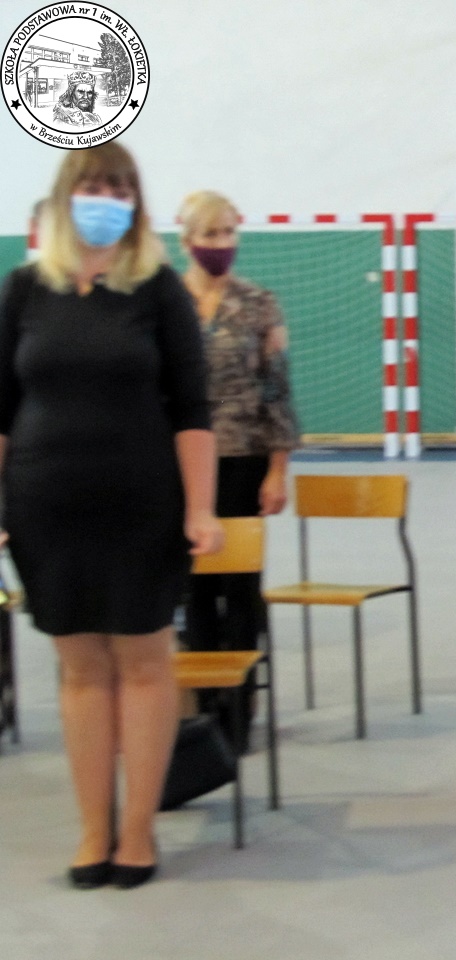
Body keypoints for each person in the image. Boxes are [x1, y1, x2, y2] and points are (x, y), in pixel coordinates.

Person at [0, 143, 220, 889]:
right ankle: (94, 829)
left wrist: (200, 507)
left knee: (144, 664)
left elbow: (192, 410)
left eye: (122, 190)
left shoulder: (158, 289)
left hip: (142, 505)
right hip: (45, 506)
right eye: (95, 187)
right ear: (67, 197)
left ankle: (137, 832)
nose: (108, 200)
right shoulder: (24, 289)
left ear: (136, 204)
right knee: (81, 671)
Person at [178, 190, 300, 748]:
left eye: (228, 233)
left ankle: (240, 711)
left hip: (245, 461)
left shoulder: (259, 303)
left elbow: (278, 390)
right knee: (195, 591)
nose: (221, 244)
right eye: (211, 234)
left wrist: (278, 469)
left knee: (241, 589)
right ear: (188, 241)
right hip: (182, 468)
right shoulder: (167, 302)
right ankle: (205, 715)